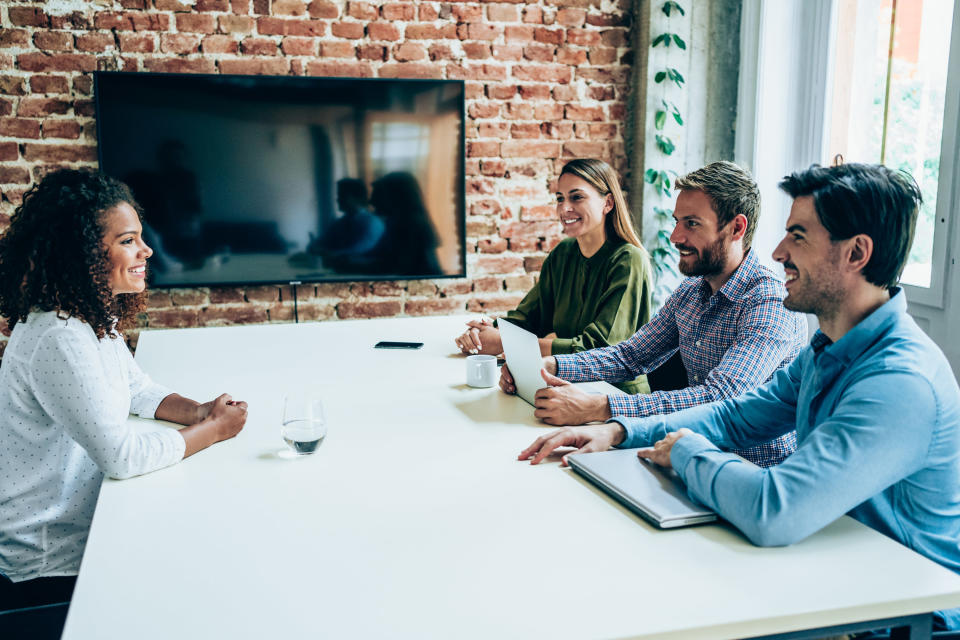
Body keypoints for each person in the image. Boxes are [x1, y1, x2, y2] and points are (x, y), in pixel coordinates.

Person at [519, 163, 960, 630]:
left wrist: (684, 449)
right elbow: (737, 417)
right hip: (830, 572)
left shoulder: (900, 383)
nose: (777, 251)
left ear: (856, 253)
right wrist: (619, 430)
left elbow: (775, 509)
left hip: (896, 619)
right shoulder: (829, 347)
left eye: (798, 236)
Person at [0, 169, 248, 614]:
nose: (147, 250)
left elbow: (137, 390)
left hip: (84, 529)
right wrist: (213, 431)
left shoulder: (88, 317)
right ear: (85, 253)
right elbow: (121, 457)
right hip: (49, 562)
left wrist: (197, 411)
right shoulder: (59, 335)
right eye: (129, 240)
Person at [503, 161, 807, 466]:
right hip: (687, 458)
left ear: (736, 228)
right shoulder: (691, 292)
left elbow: (719, 398)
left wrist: (599, 407)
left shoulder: (770, 302)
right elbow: (630, 356)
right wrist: (550, 366)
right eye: (677, 221)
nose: (675, 236)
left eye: (691, 223)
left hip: (752, 473)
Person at [455, 158, 653, 394]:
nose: (564, 208)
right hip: (562, 386)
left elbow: (599, 350)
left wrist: (506, 342)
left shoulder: (628, 260)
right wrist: (484, 332)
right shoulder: (563, 253)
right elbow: (528, 318)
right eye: (560, 198)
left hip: (614, 397)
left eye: (576, 197)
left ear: (608, 202)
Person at [308, 178, 385, 259]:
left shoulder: (371, 222)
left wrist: (328, 253)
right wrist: (314, 245)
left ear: (356, 197)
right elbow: (323, 241)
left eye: (342, 195)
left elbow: (360, 249)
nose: (337, 200)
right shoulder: (340, 222)